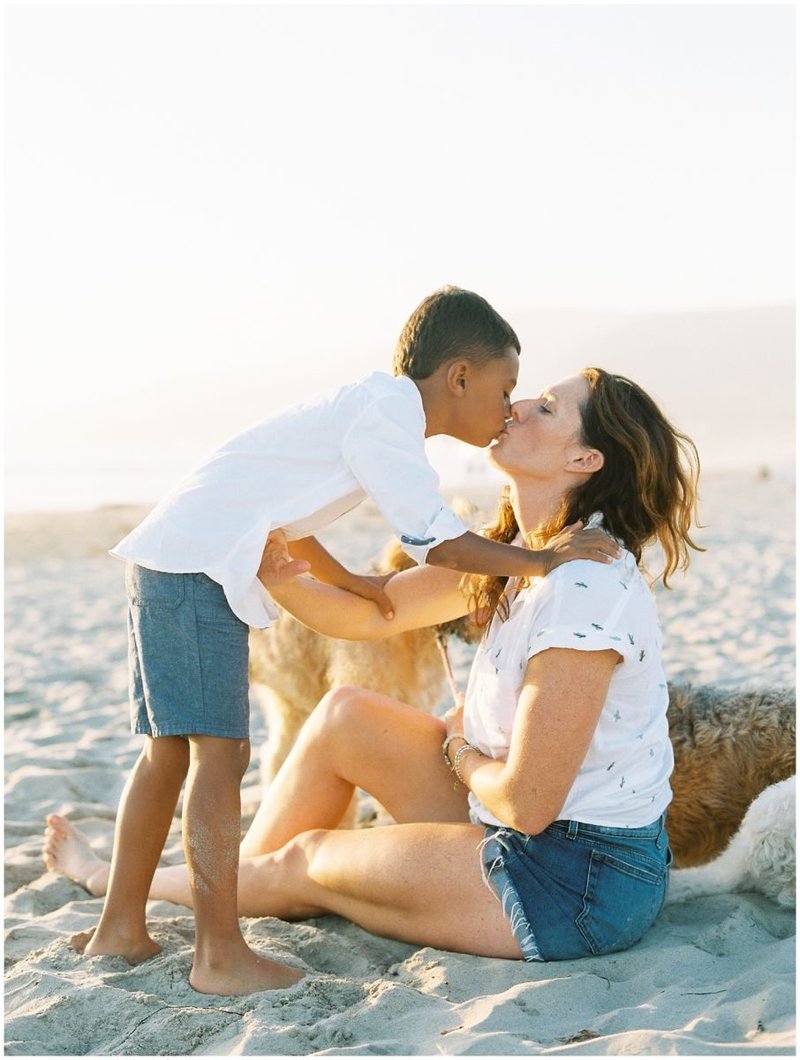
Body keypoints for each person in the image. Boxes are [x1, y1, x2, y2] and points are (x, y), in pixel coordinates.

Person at [46, 367, 700, 967]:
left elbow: (528, 805)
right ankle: (235, 885)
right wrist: (283, 573)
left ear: (584, 459)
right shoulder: (518, 561)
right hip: (519, 825)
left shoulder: (581, 589)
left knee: (308, 860)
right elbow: (377, 605)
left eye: (548, 407)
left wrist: (458, 748)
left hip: (571, 881)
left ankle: (118, 880)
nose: (519, 403)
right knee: (343, 717)